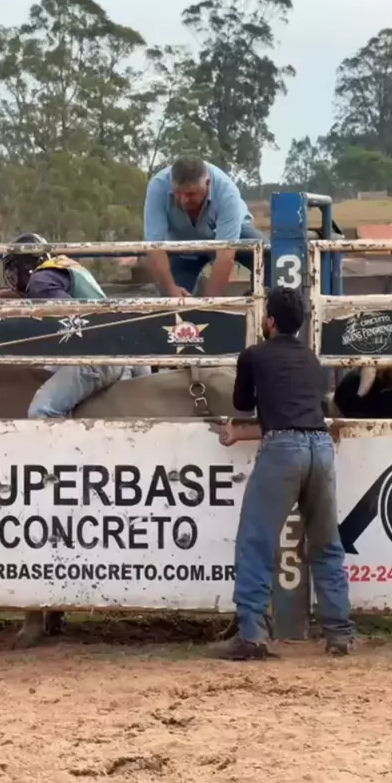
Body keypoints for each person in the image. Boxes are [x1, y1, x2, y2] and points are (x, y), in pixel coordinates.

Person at [209, 286, 355, 661]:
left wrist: (241, 422)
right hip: (320, 447)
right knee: (326, 544)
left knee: (256, 543)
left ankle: (252, 634)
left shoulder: (254, 355)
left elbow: (243, 404)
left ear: (270, 321)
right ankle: (339, 632)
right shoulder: (312, 360)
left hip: (282, 451)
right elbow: (300, 413)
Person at [1, 233, 151, 419]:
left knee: (41, 411)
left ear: (24, 267)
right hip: (121, 348)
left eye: (13, 272)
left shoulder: (39, 282)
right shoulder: (65, 268)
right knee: (44, 372)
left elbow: (71, 322)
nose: (12, 279)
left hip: (99, 356)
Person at [144, 156, 270, 297]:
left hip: (232, 235)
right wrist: (171, 289)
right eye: (178, 193)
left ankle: (262, 301)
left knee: (268, 254)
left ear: (208, 184)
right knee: (170, 297)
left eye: (191, 194)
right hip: (183, 244)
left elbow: (225, 256)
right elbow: (154, 247)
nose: (184, 200)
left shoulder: (227, 191)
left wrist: (209, 303)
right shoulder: (158, 186)